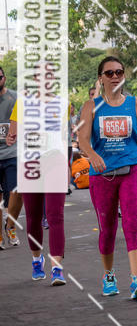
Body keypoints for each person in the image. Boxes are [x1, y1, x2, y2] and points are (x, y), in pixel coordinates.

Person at [78, 56, 137, 299]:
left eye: (119, 72)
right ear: (101, 78)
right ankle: (109, 276)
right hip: (102, 175)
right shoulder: (91, 106)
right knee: (107, 229)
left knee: (131, 222)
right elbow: (83, 139)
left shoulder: (135, 104)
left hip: (132, 169)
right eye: (109, 73)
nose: (115, 76)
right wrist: (93, 155)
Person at [6, 100, 67, 285]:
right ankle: (36, 260)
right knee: (33, 217)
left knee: (55, 215)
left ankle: (57, 268)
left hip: (55, 159)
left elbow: (63, 136)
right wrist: (11, 137)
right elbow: (12, 134)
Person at [0, 66, 19, 248]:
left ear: (4, 77)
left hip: (12, 154)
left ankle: (10, 225)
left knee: (14, 194)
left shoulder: (15, 97)